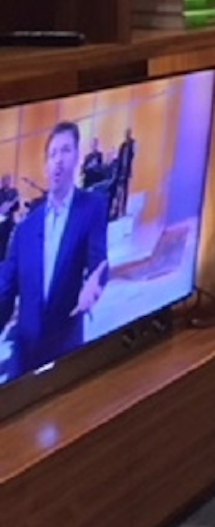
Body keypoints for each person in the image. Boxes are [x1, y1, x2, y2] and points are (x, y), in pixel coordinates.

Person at [0, 121, 109, 378]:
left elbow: (99, 264)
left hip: (67, 349)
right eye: (52, 154)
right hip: (25, 353)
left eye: (65, 151)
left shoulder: (92, 207)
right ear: (46, 166)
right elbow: (5, 290)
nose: (58, 160)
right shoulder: (26, 229)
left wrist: (95, 285)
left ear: (77, 157)